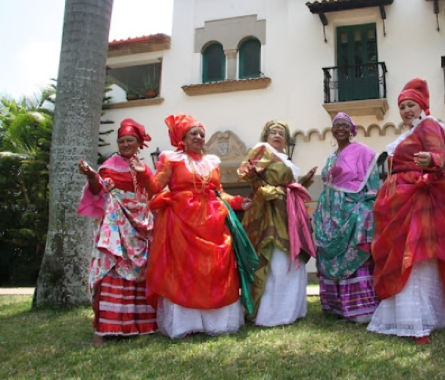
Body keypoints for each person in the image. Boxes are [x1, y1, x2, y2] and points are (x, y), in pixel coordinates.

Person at [367, 79, 445, 345]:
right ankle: (406, 315)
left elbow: (440, 155)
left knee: (415, 254)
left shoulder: (429, 125)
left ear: (422, 106)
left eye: (411, 105)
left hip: (418, 198)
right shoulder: (408, 134)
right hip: (397, 200)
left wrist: (431, 160)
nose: (406, 110)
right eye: (402, 107)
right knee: (400, 252)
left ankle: (418, 320)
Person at [132, 114, 245, 339]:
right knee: (184, 272)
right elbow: (155, 187)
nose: (199, 137)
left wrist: (240, 202)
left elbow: (219, 193)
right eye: (194, 133)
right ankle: (186, 325)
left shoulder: (212, 162)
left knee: (215, 270)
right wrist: (143, 173)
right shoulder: (171, 159)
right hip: (180, 225)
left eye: (202, 134)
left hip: (213, 224)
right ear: (182, 138)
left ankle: (216, 323)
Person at [77, 118, 157, 346]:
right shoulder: (108, 165)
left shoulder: (144, 167)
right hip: (116, 226)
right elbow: (97, 190)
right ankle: (104, 328)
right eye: (122, 141)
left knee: (140, 271)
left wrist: (144, 174)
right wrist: (93, 177)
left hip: (140, 225)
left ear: (139, 144)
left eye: (130, 140)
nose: (125, 144)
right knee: (113, 266)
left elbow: (153, 191)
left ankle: (141, 325)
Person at [238, 120, 317, 326]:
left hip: (290, 210)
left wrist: (305, 181)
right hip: (270, 212)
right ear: (266, 136)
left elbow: (288, 186)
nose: (277, 135)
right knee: (277, 258)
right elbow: (248, 175)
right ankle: (271, 313)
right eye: (273, 132)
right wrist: (271, 192)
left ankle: (292, 310)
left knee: (293, 256)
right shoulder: (262, 150)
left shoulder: (286, 159)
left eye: (281, 133)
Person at [313, 112, 380, 323]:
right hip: (329, 214)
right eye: (337, 125)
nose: (340, 128)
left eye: (345, 125)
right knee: (331, 255)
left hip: (352, 213)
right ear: (332, 130)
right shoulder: (331, 157)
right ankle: (336, 307)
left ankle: (360, 308)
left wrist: (366, 208)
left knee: (354, 252)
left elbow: (373, 183)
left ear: (352, 130)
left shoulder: (362, 152)